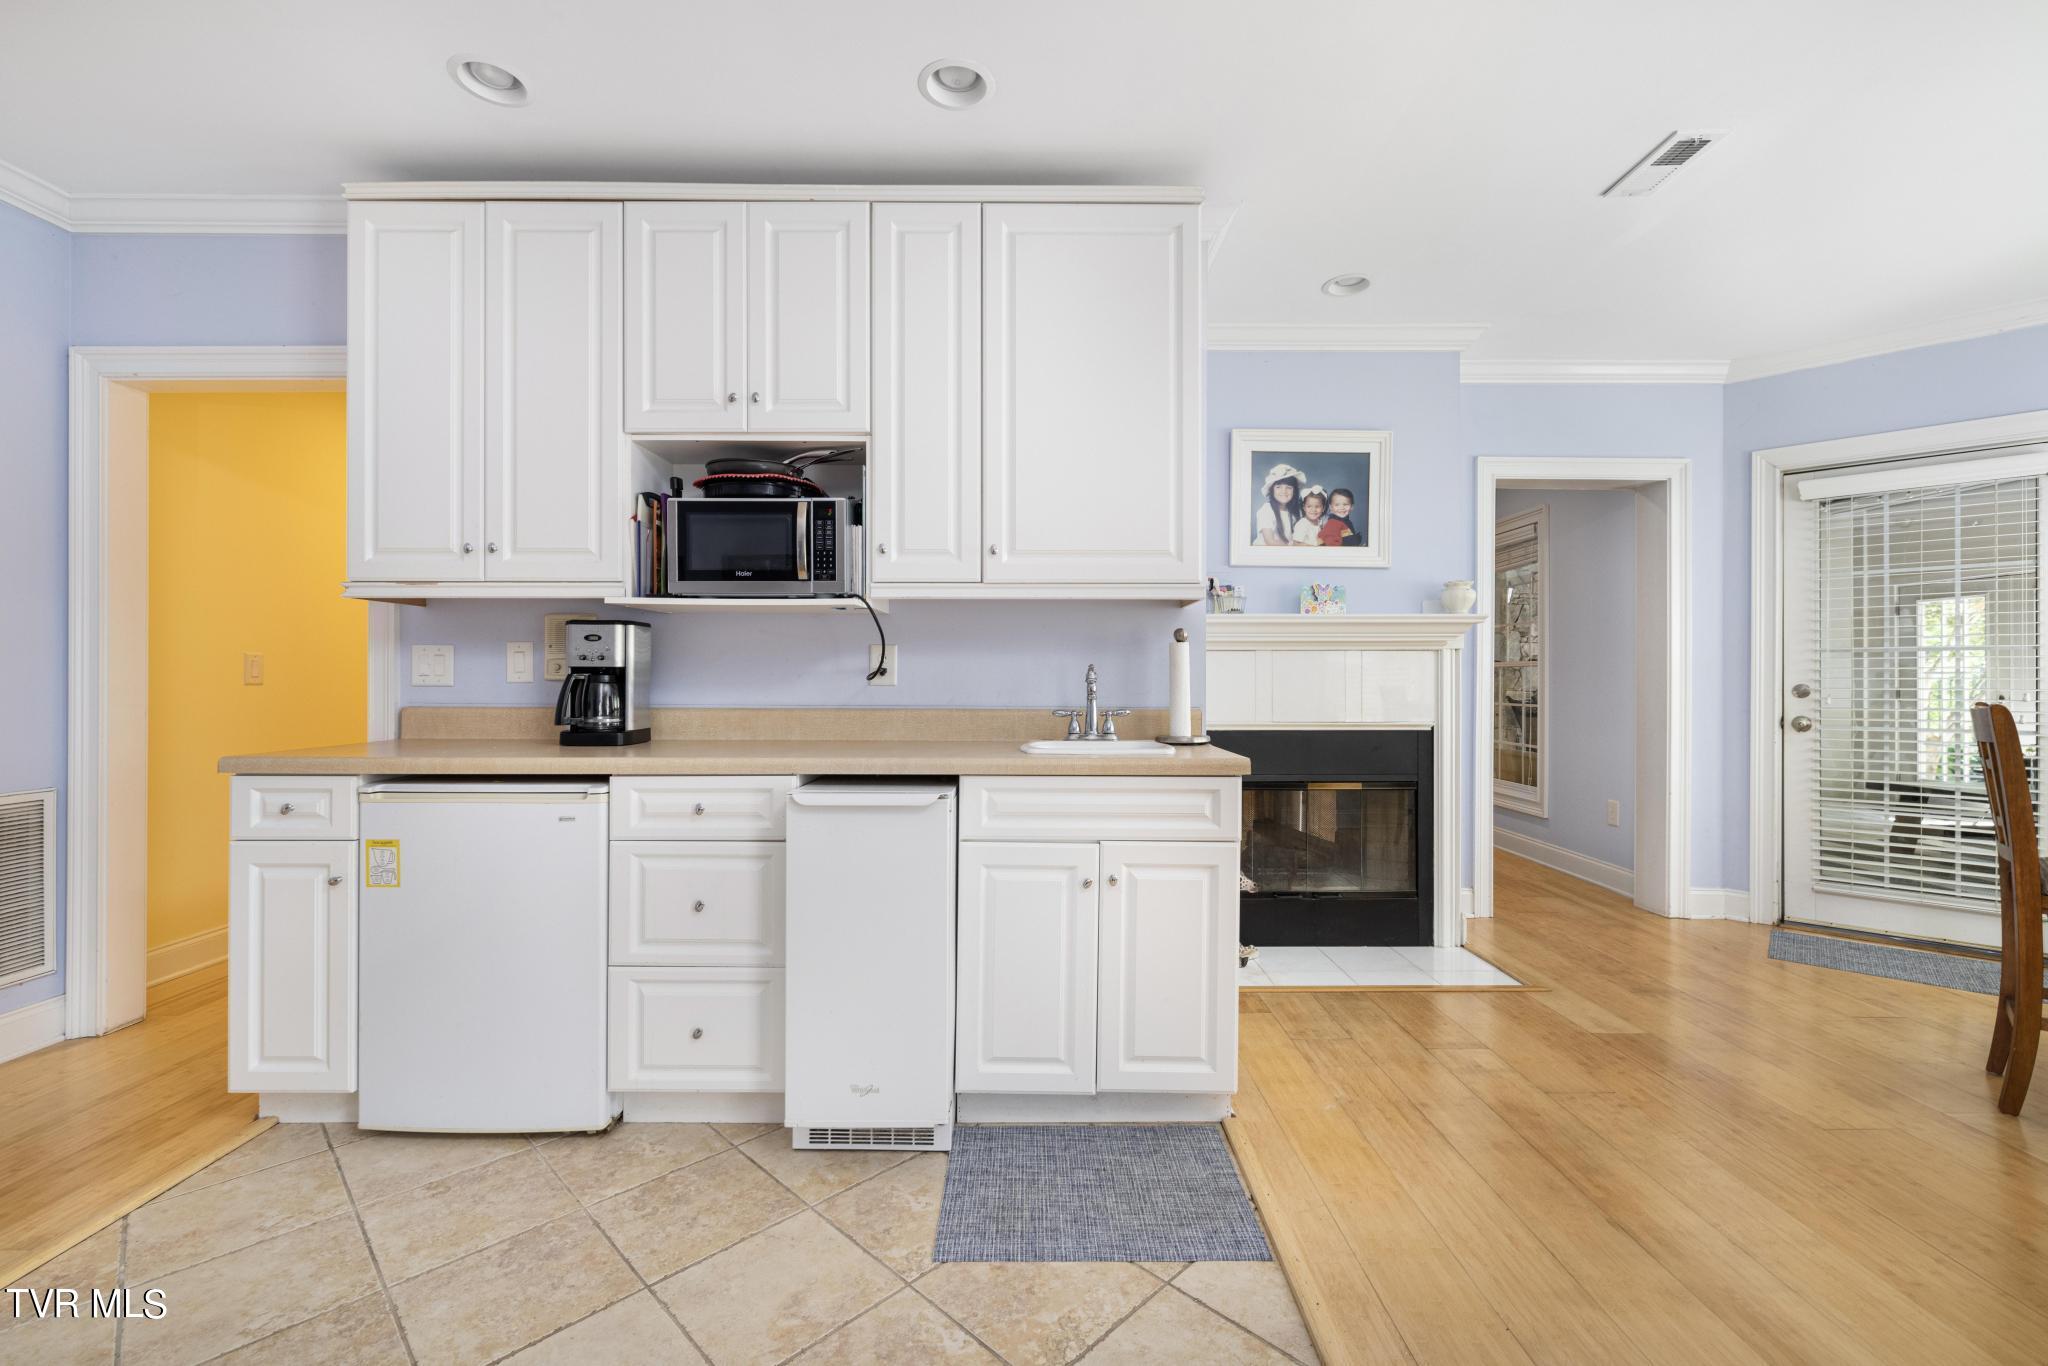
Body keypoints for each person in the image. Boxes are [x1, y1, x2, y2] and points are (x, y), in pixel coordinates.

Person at [1255, 463, 1307, 545]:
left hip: (1287, 552)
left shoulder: (1296, 511)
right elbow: (1270, 542)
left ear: (1294, 491)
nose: (1284, 491)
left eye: (1289, 487)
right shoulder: (1267, 509)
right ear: (1272, 490)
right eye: (1278, 487)